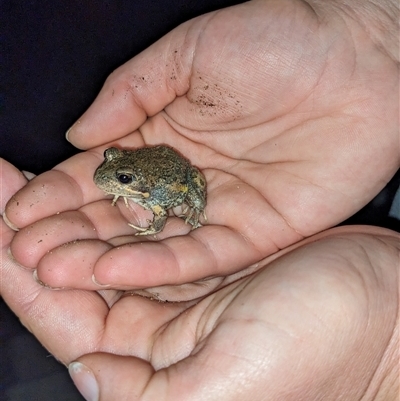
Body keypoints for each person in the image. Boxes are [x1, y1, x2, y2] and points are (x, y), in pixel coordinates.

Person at [1, 0, 399, 399]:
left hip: (174, 172)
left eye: (120, 179)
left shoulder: (156, 197)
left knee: (185, 193)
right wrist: (371, 22)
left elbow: (157, 218)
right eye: (114, 166)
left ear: (135, 184)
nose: (109, 178)